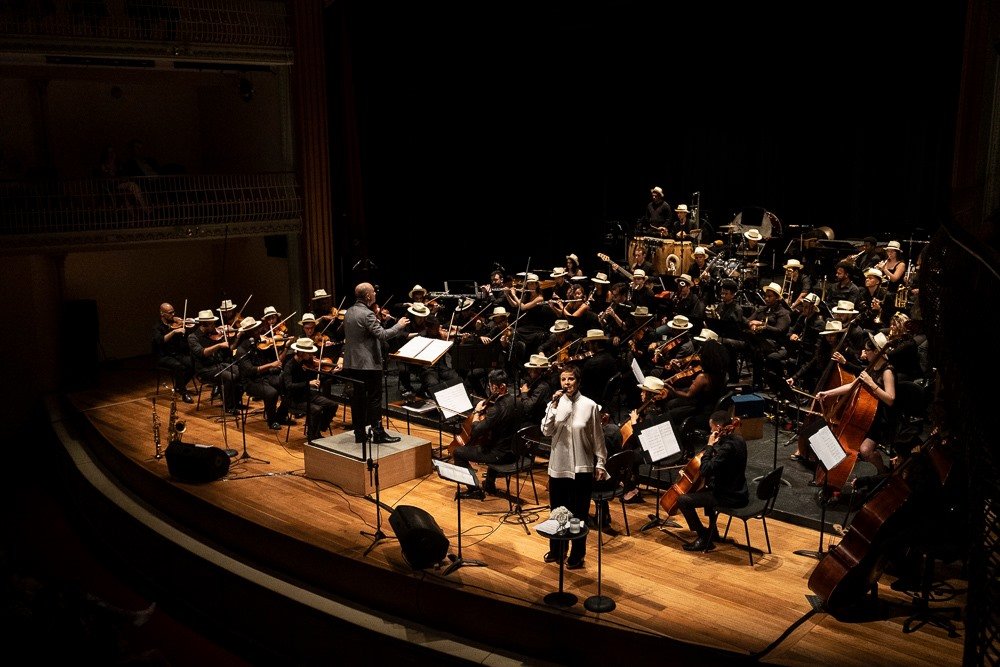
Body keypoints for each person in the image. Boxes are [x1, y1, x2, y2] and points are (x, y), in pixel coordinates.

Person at [540, 364, 609, 569]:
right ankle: (557, 550)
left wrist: (601, 462)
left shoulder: (590, 405)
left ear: (578, 382)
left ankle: (578, 554)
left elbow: (598, 438)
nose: (566, 383)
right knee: (557, 511)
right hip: (558, 466)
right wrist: (552, 407)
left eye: (570, 379)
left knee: (578, 514)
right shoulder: (555, 403)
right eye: (563, 379)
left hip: (582, 468)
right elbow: (546, 430)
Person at [816, 331, 897, 474]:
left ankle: (883, 472)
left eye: (867, 350)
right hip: (867, 414)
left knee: (865, 451)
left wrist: (871, 383)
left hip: (882, 419)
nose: (864, 353)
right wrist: (828, 393)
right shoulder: (871, 367)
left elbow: (890, 399)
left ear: (875, 351)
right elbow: (852, 386)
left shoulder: (887, 371)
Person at [341, 282, 410, 445]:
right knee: (374, 399)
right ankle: (378, 433)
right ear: (367, 296)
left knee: (357, 400)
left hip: (352, 363)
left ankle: (359, 434)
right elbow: (382, 335)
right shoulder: (367, 314)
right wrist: (398, 326)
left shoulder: (349, 311)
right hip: (368, 365)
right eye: (373, 292)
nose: (375, 295)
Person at [676, 409, 749, 552]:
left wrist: (709, 446)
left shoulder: (727, 448)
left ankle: (703, 537)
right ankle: (713, 532)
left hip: (729, 496)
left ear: (718, 427)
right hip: (739, 490)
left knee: (683, 500)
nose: (711, 431)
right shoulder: (739, 439)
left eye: (711, 428)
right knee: (706, 487)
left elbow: (705, 470)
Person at [452, 369, 524, 499]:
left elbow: (475, 431)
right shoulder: (517, 401)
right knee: (494, 442)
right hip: (514, 452)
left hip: (499, 455)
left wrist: (477, 412)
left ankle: (474, 490)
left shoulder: (496, 410)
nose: (490, 389)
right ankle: (489, 484)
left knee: (458, 452)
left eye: (491, 386)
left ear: (498, 387)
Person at [234, 316, 290, 430]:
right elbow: (250, 370)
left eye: (256, 329)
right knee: (272, 392)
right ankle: (272, 420)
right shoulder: (242, 350)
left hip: (265, 376)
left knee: (287, 384)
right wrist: (271, 365)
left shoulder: (259, 344)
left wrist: (284, 345)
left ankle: (280, 415)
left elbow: (273, 356)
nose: (257, 331)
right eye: (254, 330)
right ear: (247, 333)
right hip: (250, 381)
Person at [282, 337, 338, 440]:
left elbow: (316, 377)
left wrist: (331, 372)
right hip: (294, 399)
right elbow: (289, 386)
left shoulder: (306, 363)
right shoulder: (289, 366)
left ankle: (319, 429)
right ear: (301, 352)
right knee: (317, 409)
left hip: (307, 395)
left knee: (332, 405)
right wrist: (308, 384)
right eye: (309, 353)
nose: (311, 355)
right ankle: (312, 435)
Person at [187, 309, 241, 414]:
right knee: (231, 377)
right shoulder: (193, 337)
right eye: (212, 324)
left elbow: (230, 349)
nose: (215, 326)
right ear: (204, 324)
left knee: (241, 371)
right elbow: (202, 353)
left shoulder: (214, 334)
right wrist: (219, 345)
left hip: (218, 364)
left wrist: (237, 337)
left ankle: (235, 401)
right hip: (205, 369)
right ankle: (228, 406)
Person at [152, 302, 194, 402]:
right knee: (178, 366)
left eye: (173, 312)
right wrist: (174, 332)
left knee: (193, 363)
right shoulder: (157, 327)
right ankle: (184, 393)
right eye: (170, 313)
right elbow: (160, 340)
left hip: (177, 354)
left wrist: (183, 329)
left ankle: (179, 386)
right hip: (164, 356)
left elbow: (184, 339)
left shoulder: (176, 323)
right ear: (162, 314)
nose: (173, 315)